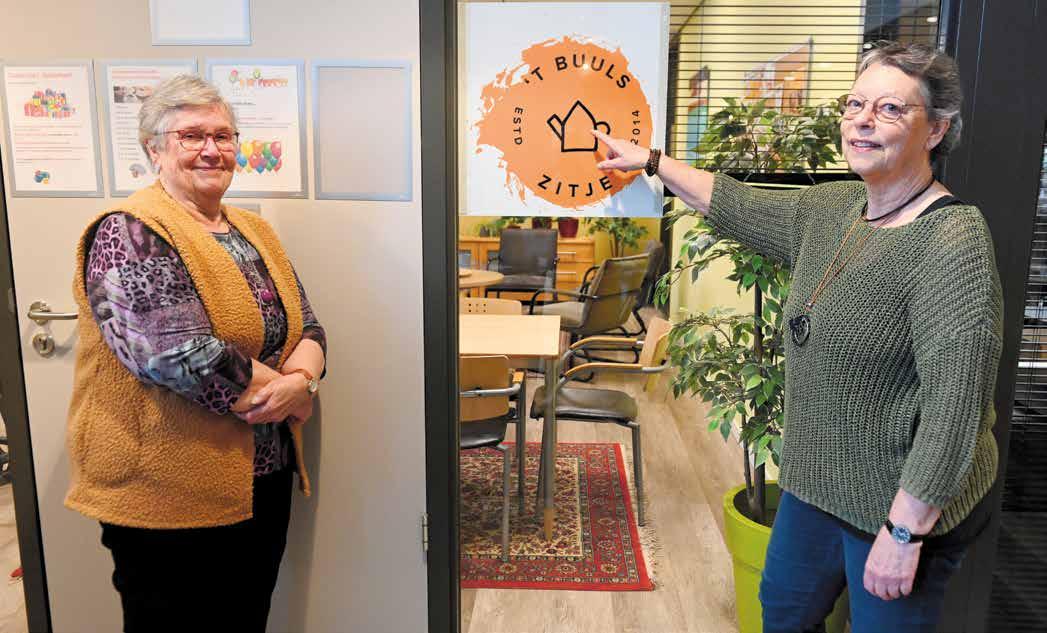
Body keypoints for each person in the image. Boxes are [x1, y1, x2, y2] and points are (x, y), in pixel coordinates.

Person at [594, 41, 1001, 632]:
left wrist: (905, 533)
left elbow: (955, 410)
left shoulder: (952, 242)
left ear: (935, 130)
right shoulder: (835, 207)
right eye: (855, 104)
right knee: (783, 612)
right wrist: (651, 161)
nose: (862, 120)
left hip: (902, 501)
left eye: (890, 109)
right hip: (817, 480)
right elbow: (736, 203)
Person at [65, 74, 327, 632]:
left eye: (223, 135)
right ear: (154, 149)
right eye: (190, 136)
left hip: (260, 477)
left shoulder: (254, 230)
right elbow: (174, 354)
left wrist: (302, 381)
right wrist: (289, 396)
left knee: (245, 618)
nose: (212, 149)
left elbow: (308, 325)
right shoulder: (128, 231)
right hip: (167, 492)